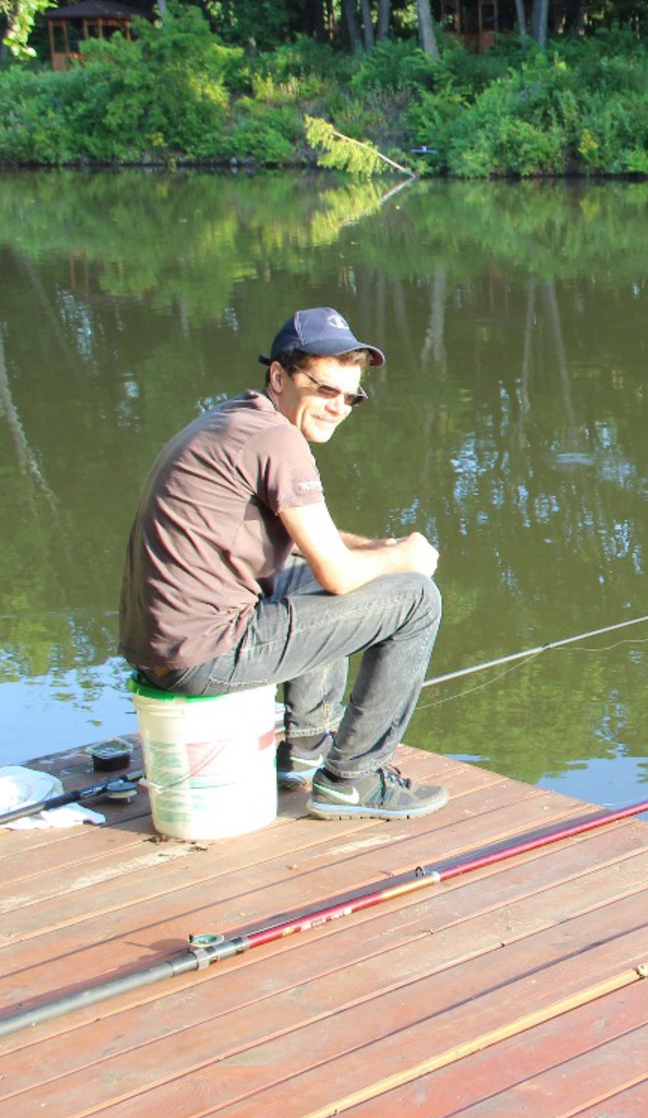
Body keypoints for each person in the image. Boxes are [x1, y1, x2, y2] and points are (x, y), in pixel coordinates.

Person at [119, 307, 447, 820]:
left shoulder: (235, 422)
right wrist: (406, 558)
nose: (339, 407)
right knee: (416, 598)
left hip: (169, 649)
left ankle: (305, 748)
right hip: (205, 655)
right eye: (324, 390)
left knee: (325, 574)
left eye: (351, 396)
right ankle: (352, 780)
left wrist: (377, 549)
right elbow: (336, 572)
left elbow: (309, 541)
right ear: (279, 376)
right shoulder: (278, 440)